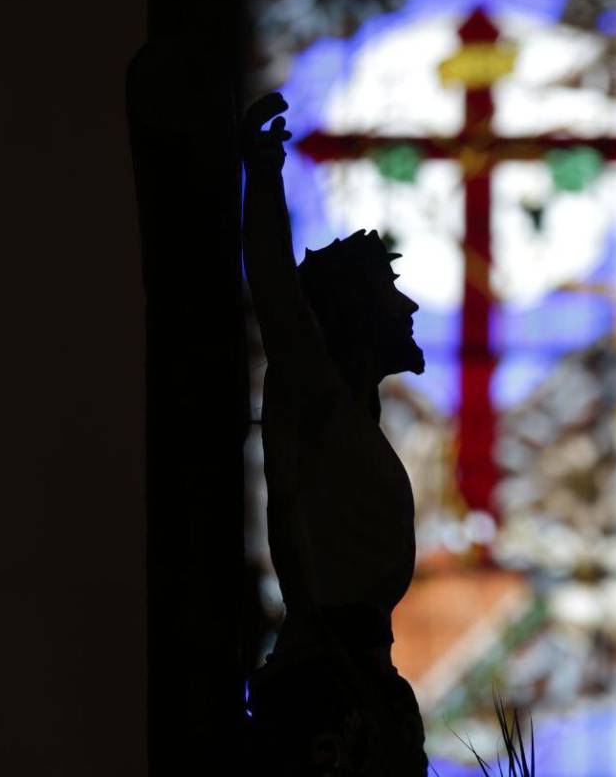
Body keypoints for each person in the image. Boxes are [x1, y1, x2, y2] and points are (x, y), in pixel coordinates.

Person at [240, 92, 429, 776]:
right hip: (331, 688)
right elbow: (278, 299)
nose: (407, 304)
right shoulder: (318, 401)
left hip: (358, 678)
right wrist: (262, 174)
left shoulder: (352, 417)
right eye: (388, 289)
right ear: (349, 314)